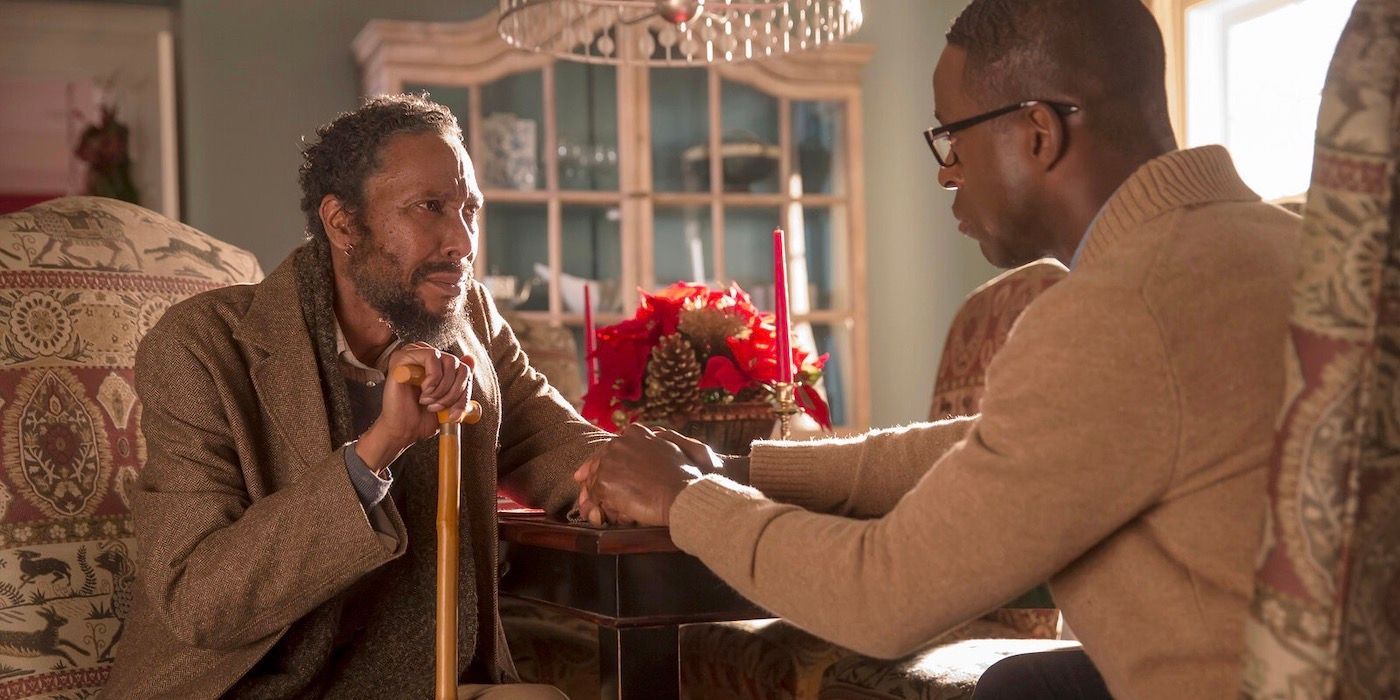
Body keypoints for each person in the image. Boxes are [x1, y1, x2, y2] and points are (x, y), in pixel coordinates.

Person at [574, 0, 1301, 697]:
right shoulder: (1288, 250)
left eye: (952, 136)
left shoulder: (1118, 310)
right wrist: (740, 467)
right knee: (1025, 686)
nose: (946, 172)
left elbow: (882, 596)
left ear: (1038, 133)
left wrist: (686, 498)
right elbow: (983, 448)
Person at [105, 94, 609, 698]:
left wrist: (668, 478)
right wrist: (378, 450)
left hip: (436, 680)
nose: (462, 242)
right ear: (342, 223)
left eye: (468, 209)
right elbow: (201, 601)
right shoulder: (204, 347)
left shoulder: (467, 314)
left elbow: (553, 439)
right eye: (430, 208)